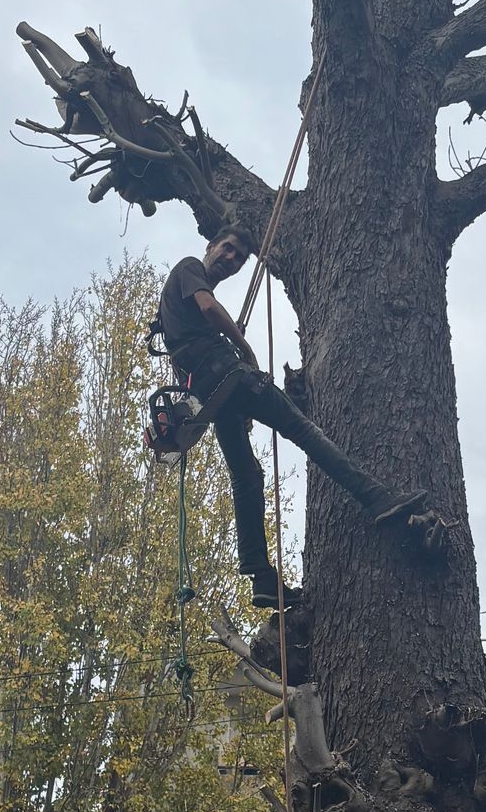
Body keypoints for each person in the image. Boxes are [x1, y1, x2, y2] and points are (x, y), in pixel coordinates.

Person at [157, 225, 428, 608]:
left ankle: (261, 577)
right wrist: (245, 348)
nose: (231, 259)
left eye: (239, 257)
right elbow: (209, 307)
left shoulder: (176, 316)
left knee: (247, 477)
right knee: (301, 428)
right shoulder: (189, 268)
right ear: (210, 246)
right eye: (228, 249)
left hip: (213, 394)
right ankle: (377, 498)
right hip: (228, 375)